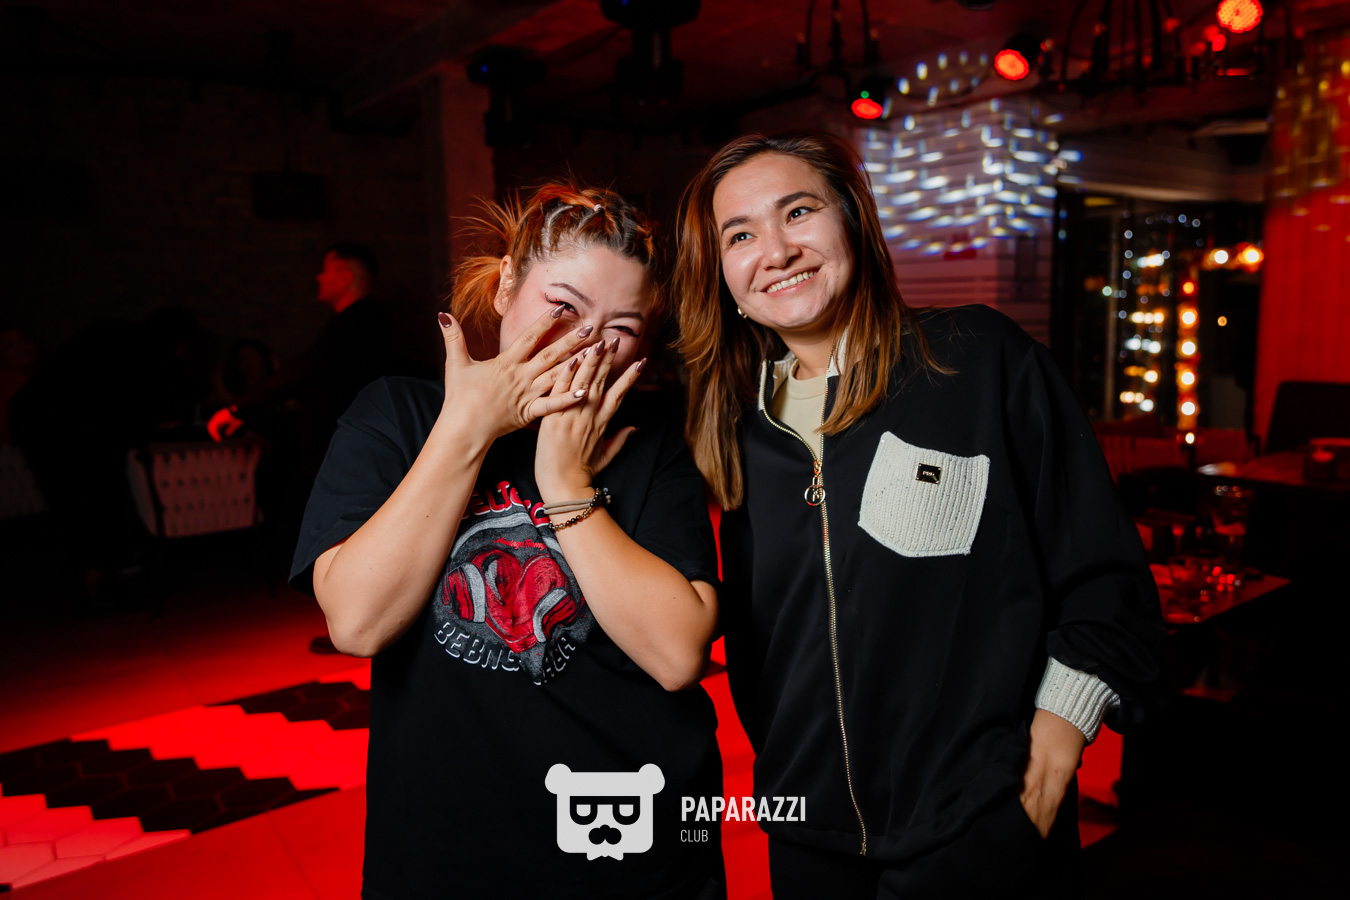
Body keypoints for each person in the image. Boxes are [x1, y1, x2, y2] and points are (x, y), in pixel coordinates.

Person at [675, 132, 1169, 898]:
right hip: (807, 843)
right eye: (739, 235)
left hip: (979, 829)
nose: (775, 250)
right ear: (723, 278)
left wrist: (1042, 775)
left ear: (853, 222)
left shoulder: (979, 361)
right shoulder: (740, 430)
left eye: (798, 212)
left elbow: (1106, 585)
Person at [290, 183, 726, 900]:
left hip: (631, 844)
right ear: (506, 287)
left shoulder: (651, 448)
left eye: (622, 326)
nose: (589, 342)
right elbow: (359, 623)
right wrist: (470, 427)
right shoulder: (397, 415)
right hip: (447, 853)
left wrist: (565, 481)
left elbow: (678, 655)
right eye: (564, 306)